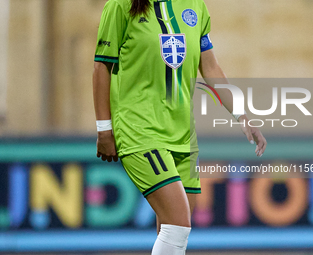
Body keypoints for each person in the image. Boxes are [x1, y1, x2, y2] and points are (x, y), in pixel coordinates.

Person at [92, 0, 267, 254]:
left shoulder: (195, 6)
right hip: (140, 131)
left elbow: (209, 66)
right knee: (177, 223)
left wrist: (241, 114)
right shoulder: (121, 5)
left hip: (184, 137)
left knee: (173, 231)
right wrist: (103, 129)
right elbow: (101, 66)